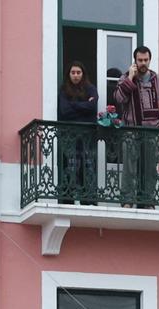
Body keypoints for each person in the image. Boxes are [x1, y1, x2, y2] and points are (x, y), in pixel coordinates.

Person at [111, 45, 159, 207]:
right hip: (131, 130)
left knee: (150, 168)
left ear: (150, 60)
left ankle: (147, 200)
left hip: (152, 131)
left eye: (146, 60)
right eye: (140, 60)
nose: (143, 63)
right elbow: (118, 99)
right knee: (129, 167)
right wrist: (130, 79)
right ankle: (127, 200)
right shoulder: (125, 78)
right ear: (135, 61)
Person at [55, 62, 98, 203]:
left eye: (78, 72)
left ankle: (88, 199)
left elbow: (92, 107)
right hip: (70, 136)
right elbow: (64, 111)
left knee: (88, 166)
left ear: (83, 74)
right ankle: (69, 199)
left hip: (87, 136)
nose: (75, 75)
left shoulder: (90, 89)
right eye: (73, 72)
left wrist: (73, 105)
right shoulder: (64, 90)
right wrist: (83, 106)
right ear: (69, 74)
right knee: (72, 166)